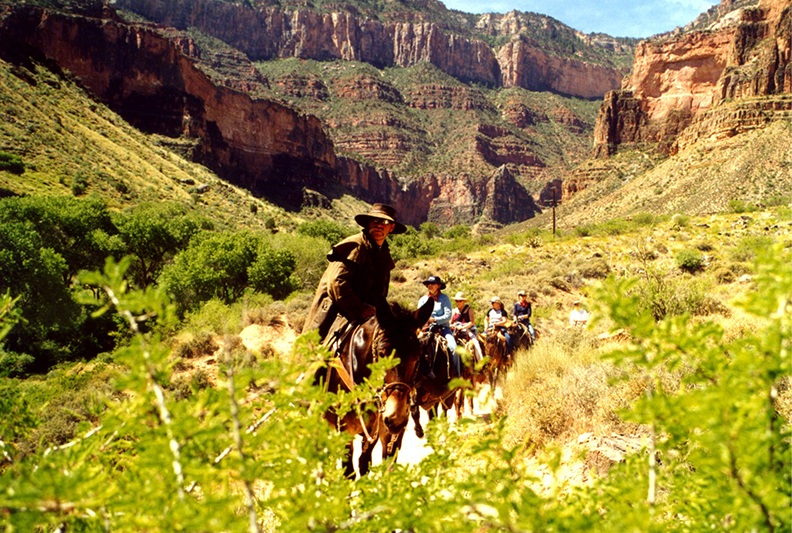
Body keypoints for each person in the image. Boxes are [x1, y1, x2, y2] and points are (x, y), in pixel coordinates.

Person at [302, 203, 407, 344]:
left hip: (368, 312)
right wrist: (359, 309)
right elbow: (337, 283)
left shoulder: (383, 252)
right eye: (375, 221)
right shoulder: (355, 245)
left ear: (391, 227)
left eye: (385, 222)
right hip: (338, 309)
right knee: (315, 355)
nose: (379, 225)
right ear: (368, 223)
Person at [417, 276, 460, 377]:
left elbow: (448, 316)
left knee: (453, 348)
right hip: (426, 328)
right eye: (429, 284)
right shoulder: (423, 300)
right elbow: (418, 315)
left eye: (433, 283)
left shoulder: (444, 299)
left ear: (439, 286)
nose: (430, 286)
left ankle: (457, 376)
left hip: (443, 328)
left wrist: (434, 319)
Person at [450, 292, 483, 363]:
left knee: (475, 343)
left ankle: (480, 362)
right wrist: (452, 326)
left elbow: (472, 322)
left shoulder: (469, 309)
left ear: (463, 301)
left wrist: (463, 327)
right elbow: (450, 322)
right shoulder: (454, 311)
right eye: (457, 301)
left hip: (467, 329)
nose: (458, 302)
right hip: (455, 329)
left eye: (460, 301)